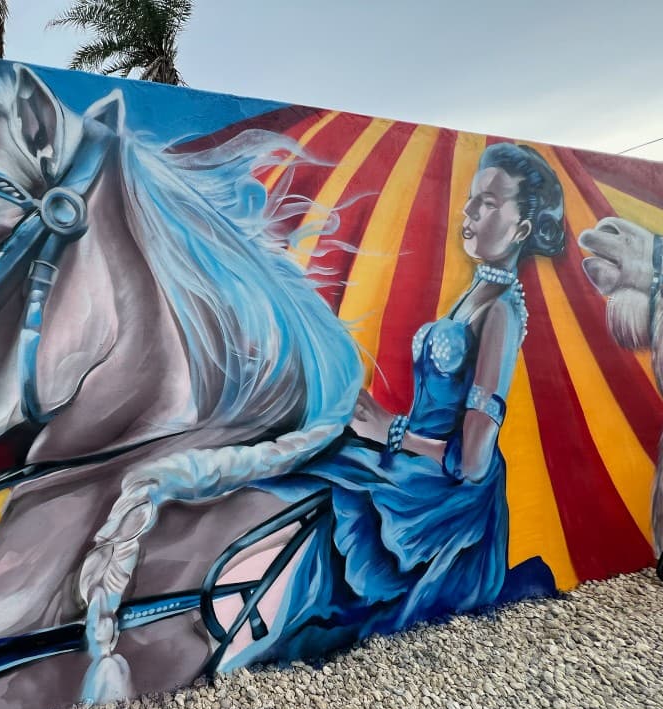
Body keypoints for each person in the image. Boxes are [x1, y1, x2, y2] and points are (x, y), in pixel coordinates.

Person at [242, 143, 566, 667]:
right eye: (470, 200)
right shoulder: (475, 293)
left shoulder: (502, 313)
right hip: (412, 459)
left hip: (444, 495)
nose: (468, 214)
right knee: (311, 455)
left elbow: (475, 460)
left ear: (522, 228)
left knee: (328, 492)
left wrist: (390, 432)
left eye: (486, 203)